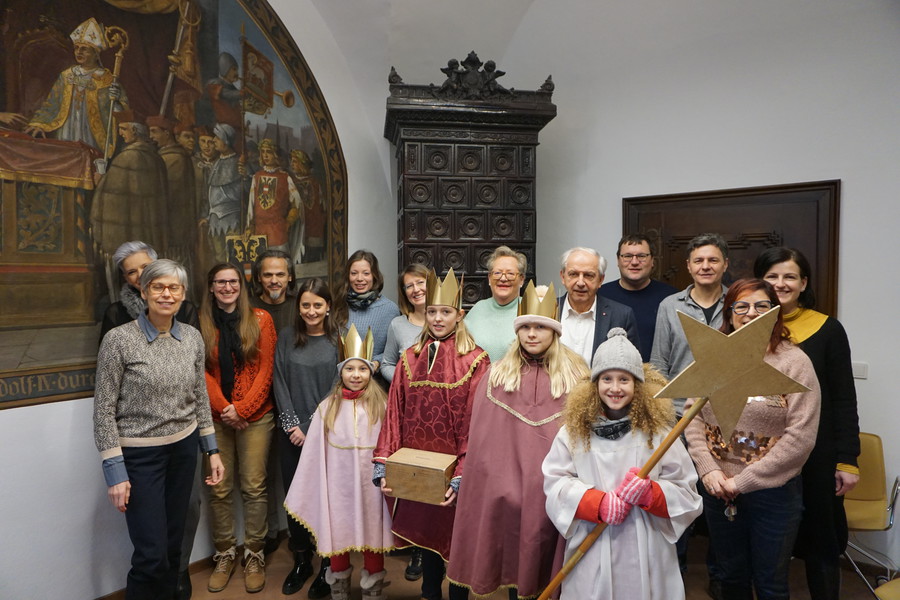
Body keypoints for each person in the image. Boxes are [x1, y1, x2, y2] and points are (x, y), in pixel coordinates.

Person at [448, 281, 589, 599]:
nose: (532, 334)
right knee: (512, 561)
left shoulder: (577, 378)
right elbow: (485, 444)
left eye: (541, 327)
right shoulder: (496, 375)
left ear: (554, 331)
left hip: (554, 493)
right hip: (504, 493)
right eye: (526, 327)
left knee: (545, 565)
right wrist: (499, 486)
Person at [94, 258, 224, 599]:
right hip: (139, 456)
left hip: (184, 450)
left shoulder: (192, 338)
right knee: (151, 555)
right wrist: (115, 471)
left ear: (182, 294)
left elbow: (199, 397)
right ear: (144, 290)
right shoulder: (119, 340)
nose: (166, 294)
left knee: (174, 548)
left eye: (174, 288)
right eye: (158, 287)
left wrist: (211, 450)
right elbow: (104, 410)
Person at [685, 278, 821, 600]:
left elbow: (800, 437)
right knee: (731, 578)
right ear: (729, 314)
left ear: (775, 313)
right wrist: (709, 469)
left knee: (770, 583)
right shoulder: (713, 358)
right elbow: (692, 419)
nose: (751, 313)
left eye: (762, 306)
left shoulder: (795, 363)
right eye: (741, 306)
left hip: (772, 495)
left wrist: (744, 481)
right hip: (719, 491)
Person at [542, 328, 702, 600]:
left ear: (638, 385)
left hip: (647, 543)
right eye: (606, 378)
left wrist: (651, 494)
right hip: (593, 540)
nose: (615, 388)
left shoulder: (660, 433)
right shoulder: (573, 432)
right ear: (594, 384)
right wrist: (596, 503)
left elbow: (686, 491)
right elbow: (555, 482)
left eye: (624, 379)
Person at [373, 268, 489, 600]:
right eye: (433, 312)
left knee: (456, 540)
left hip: (455, 469)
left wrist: (462, 474)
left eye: (446, 312)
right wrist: (384, 463)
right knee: (427, 536)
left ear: (459, 315)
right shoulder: (410, 359)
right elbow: (394, 412)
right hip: (417, 468)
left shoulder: (476, 360)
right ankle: (429, 592)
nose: (438, 318)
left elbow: (476, 422)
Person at [754, 247, 860, 600]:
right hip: (762, 455)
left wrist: (847, 459)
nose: (780, 284)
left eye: (789, 277)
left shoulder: (828, 329)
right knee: (768, 544)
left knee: (821, 540)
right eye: (772, 276)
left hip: (817, 453)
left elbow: (844, 398)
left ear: (803, 283)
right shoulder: (746, 329)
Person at [284, 325, 394, 600]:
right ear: (340, 371)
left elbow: (391, 444)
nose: (356, 375)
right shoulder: (327, 408)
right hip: (338, 488)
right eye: (349, 369)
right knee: (339, 535)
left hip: (372, 489)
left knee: (372, 537)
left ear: (371, 372)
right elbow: (313, 458)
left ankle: (373, 590)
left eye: (362, 369)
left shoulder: (383, 406)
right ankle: (339, 587)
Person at [199, 263, 277, 594]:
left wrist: (242, 409)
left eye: (233, 281)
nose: (228, 287)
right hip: (216, 419)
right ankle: (225, 553)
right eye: (221, 282)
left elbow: (265, 368)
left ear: (242, 286)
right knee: (218, 488)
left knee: (254, 487)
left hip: (257, 416)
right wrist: (225, 410)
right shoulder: (198, 324)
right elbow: (200, 372)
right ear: (211, 287)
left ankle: (254, 554)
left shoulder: (261, 319)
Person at [272, 277, 341, 597]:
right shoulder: (286, 337)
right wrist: (292, 426)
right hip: (291, 434)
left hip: (327, 433)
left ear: (328, 307)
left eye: (317, 305)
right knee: (295, 496)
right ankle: (301, 560)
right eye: (305, 305)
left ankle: (328, 565)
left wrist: (313, 425)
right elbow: (279, 382)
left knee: (325, 497)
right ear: (298, 307)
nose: (311, 311)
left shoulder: (338, 339)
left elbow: (339, 385)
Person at [249, 249, 299, 559]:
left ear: (290, 277)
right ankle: (269, 533)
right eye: (268, 274)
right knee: (263, 473)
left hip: (295, 400)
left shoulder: (300, 306)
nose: (274, 280)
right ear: (258, 278)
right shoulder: (249, 309)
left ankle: (302, 538)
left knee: (297, 472)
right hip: (260, 403)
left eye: (280, 274)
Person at [90, 110, 169, 295]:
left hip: (127, 234)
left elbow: (109, 196)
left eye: (124, 129)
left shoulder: (126, 158)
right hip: (149, 234)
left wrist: (100, 178)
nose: (120, 133)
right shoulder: (156, 158)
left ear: (135, 130)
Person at [25, 17, 126, 154]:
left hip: (93, 133)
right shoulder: (67, 75)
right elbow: (51, 104)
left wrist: (117, 102)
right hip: (66, 129)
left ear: (96, 55)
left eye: (84, 49)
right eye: (77, 48)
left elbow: (123, 114)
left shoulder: (107, 79)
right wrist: (38, 123)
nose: (79, 52)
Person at [600, 234, 677, 361]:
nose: (634, 262)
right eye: (628, 256)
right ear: (618, 261)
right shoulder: (601, 295)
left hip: (659, 377)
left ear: (652, 261)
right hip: (612, 377)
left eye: (641, 256)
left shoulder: (671, 298)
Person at [100, 241, 199, 339]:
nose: (141, 275)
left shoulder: (185, 309)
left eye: (145, 267)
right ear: (126, 278)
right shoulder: (115, 313)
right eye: (132, 272)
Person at [558, 247, 640, 364]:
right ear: (563, 277)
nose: (580, 283)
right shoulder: (547, 310)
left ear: (601, 280)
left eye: (588, 275)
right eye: (574, 274)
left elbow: (632, 366)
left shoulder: (621, 316)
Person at [334, 250, 401, 376]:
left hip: (376, 382)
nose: (360, 279)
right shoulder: (339, 304)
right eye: (354, 273)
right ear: (348, 276)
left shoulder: (390, 309)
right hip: (342, 382)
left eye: (366, 273)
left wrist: (377, 362)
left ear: (374, 276)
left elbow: (395, 349)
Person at [147, 115, 196, 266]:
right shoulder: (165, 156)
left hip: (175, 227)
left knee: (174, 266)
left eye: (154, 132)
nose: (151, 136)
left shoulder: (175, 158)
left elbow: (169, 195)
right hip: (169, 226)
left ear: (166, 133)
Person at [464, 245, 526, 360]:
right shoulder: (478, 309)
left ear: (521, 279)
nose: (503, 278)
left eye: (510, 274)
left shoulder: (529, 309)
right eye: (497, 273)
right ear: (489, 278)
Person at [247, 138, 302, 256]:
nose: (265, 155)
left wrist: (287, 223)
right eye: (263, 152)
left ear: (275, 155)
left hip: (278, 232)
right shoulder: (256, 177)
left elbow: (297, 205)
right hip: (259, 232)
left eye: (269, 152)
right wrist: (249, 227)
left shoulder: (285, 178)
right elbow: (251, 206)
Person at [381, 263, 428, 384]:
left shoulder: (448, 322)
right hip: (409, 398)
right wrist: (404, 382)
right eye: (409, 286)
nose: (416, 289)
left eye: (420, 282)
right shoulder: (398, 325)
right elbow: (387, 364)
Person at [205, 123, 244, 262]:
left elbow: (244, 192)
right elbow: (211, 192)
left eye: (217, 137)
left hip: (232, 217)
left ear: (226, 141)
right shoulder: (216, 162)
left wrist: (246, 176)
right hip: (215, 218)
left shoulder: (238, 163)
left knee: (233, 257)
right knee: (219, 258)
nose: (214, 140)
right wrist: (207, 215)